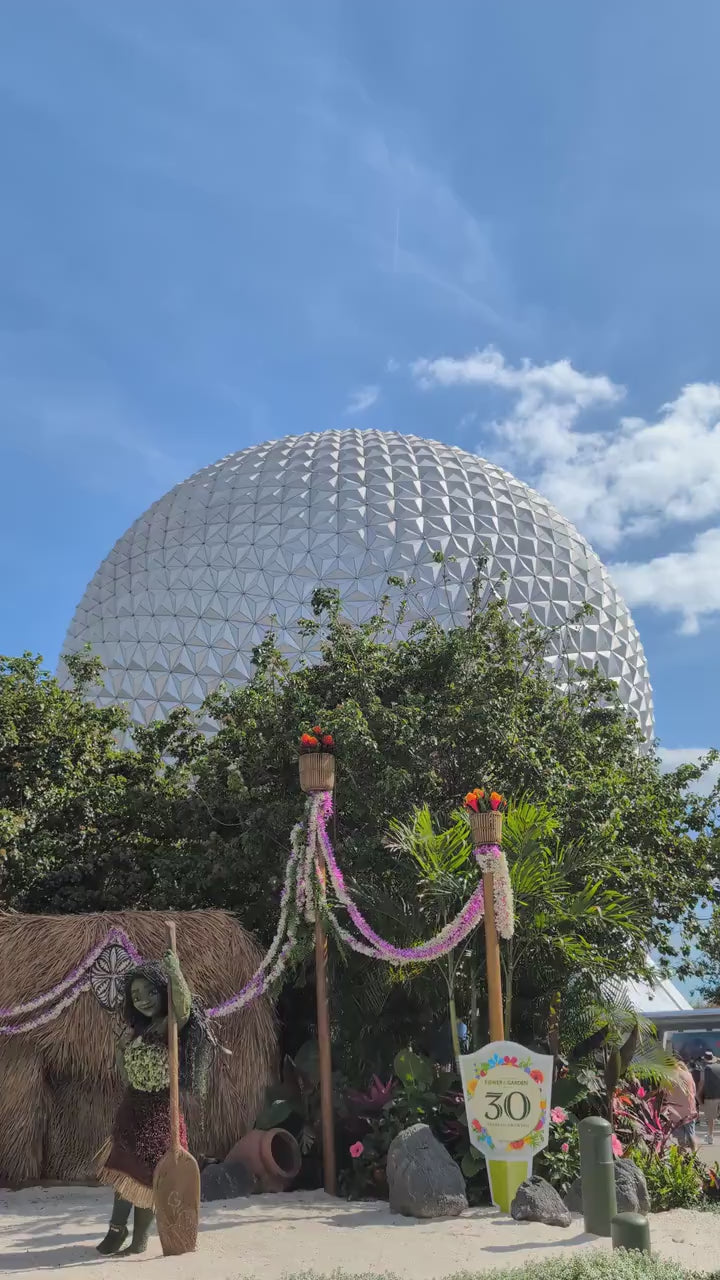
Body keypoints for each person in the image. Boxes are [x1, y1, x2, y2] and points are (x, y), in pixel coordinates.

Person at [96, 951, 212, 1255]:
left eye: (150, 991)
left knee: (150, 1175)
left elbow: (183, 1009)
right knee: (123, 1169)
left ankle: (140, 1239)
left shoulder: (168, 1026)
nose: (144, 999)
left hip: (160, 1112)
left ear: (162, 992)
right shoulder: (136, 1032)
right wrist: (122, 1052)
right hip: (132, 1108)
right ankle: (116, 1229)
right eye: (136, 994)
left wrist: (176, 972)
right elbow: (125, 1074)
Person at [665, 1057, 699, 1152]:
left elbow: (663, 1093)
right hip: (689, 1109)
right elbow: (694, 1091)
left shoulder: (668, 1076)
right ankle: (694, 1153)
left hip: (675, 1111)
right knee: (691, 1133)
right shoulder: (688, 1074)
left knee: (680, 1138)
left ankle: (682, 1157)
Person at [699, 1050, 720, 1144]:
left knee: (711, 1117)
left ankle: (710, 1136)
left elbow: (702, 1083)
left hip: (711, 1095)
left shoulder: (705, 1069)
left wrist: (699, 1093)